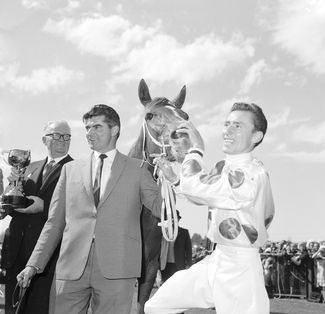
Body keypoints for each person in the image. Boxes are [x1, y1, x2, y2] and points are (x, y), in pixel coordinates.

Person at [17, 105, 162, 314]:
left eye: (97, 127)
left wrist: (170, 179)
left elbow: (161, 209)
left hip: (117, 270)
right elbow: (54, 223)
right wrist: (34, 264)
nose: (89, 133)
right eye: (86, 128)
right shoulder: (70, 170)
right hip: (70, 269)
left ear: (115, 130)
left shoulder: (137, 168)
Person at [145, 102, 275, 314]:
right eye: (227, 124)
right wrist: (176, 180)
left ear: (256, 137)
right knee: (156, 306)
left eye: (238, 126)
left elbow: (201, 188)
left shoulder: (252, 173)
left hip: (240, 269)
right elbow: (205, 195)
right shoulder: (225, 167)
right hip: (217, 259)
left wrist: (195, 150)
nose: (228, 131)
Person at [0, 120, 73, 314]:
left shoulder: (76, 169)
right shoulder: (28, 167)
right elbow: (16, 201)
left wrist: (45, 206)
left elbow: (77, 208)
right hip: (16, 251)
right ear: (44, 139)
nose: (62, 140)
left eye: (67, 136)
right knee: (12, 308)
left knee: (39, 308)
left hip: (47, 258)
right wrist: (9, 193)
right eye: (56, 135)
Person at [160, 210, 192, 282]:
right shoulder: (163, 232)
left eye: (175, 218)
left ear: (178, 219)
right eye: (171, 218)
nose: (173, 220)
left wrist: (189, 264)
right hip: (165, 265)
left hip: (178, 265)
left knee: (177, 285)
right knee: (165, 285)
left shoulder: (184, 232)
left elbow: (189, 250)